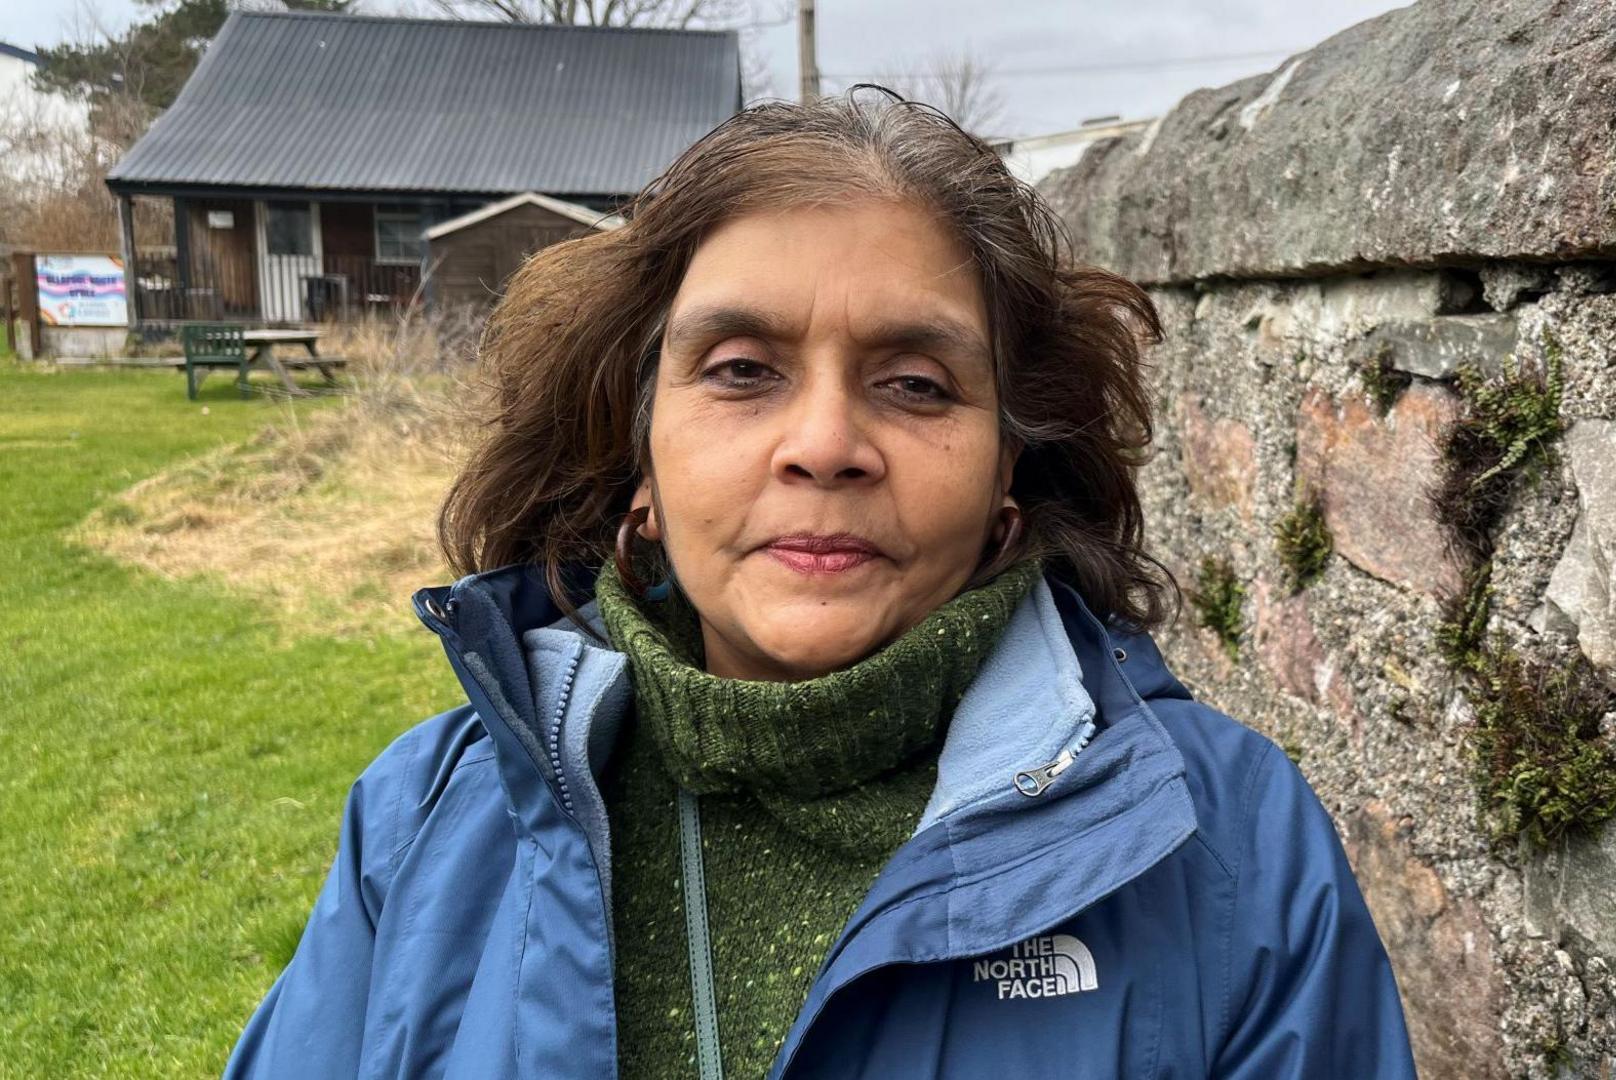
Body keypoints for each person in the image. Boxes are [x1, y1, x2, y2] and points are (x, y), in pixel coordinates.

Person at [223, 86, 1416, 1079]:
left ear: (1012, 471)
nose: (826, 442)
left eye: (916, 383)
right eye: (742, 370)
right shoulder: (424, 827)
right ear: (637, 457)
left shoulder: (1232, 852)